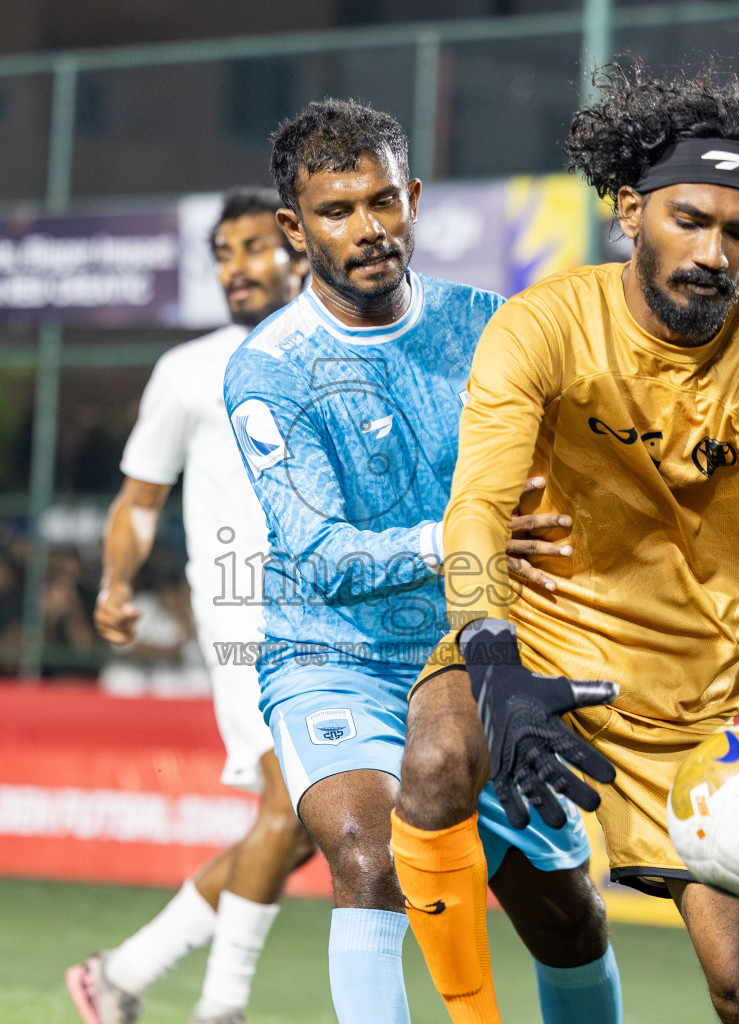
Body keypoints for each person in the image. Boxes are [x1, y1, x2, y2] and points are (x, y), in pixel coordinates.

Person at [393, 64, 739, 1024]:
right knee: (431, 765)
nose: (713, 251)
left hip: (684, 712)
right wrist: (488, 649)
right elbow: (475, 508)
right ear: (630, 211)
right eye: (688, 219)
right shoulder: (542, 325)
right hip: (533, 654)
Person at [223, 99, 619, 1024]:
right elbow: (318, 553)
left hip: (482, 663)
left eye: (385, 201)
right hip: (335, 658)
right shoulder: (270, 369)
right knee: (368, 859)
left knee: (568, 921)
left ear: (414, 197)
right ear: (294, 226)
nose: (369, 229)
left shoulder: (495, 328)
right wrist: (460, 536)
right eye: (337, 210)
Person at [66, 189, 317, 1024]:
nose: (236, 267)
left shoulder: (336, 350)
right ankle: (221, 1008)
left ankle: (121, 973)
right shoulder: (188, 369)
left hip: (337, 617)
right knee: (289, 804)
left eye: (253, 248)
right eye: (222, 252)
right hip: (244, 615)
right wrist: (115, 582)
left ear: (298, 249)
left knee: (308, 823)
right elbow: (138, 502)